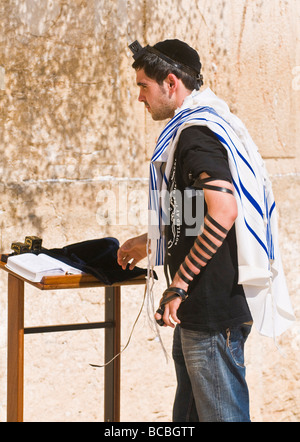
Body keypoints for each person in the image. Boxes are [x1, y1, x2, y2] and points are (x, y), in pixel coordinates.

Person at [117, 39, 294, 422]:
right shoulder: (201, 126)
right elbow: (192, 213)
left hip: (210, 308)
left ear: (169, 83)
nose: (139, 98)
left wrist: (179, 284)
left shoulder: (197, 134)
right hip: (201, 308)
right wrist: (150, 241)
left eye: (142, 87)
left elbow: (224, 210)